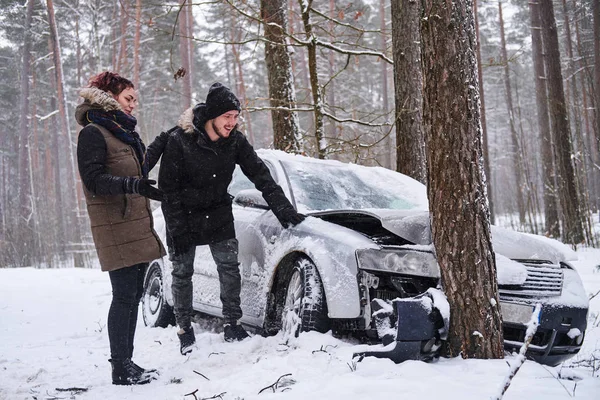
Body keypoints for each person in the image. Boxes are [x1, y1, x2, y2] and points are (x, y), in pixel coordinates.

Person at [159, 82, 305, 355]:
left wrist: (284, 210)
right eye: (228, 117)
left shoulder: (235, 141)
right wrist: (177, 228)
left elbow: (260, 175)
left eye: (236, 117)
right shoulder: (180, 139)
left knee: (229, 268)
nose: (232, 122)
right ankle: (184, 329)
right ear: (212, 116)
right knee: (182, 271)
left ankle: (232, 324)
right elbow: (168, 189)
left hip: (217, 210)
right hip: (183, 212)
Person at [75, 71, 168, 385]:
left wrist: (144, 185)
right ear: (109, 97)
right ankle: (121, 367)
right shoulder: (94, 133)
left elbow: (135, 171)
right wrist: (133, 185)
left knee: (134, 294)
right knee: (125, 296)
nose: (133, 105)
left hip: (135, 222)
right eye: (128, 99)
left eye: (134, 100)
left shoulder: (123, 134)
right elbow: (94, 180)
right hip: (115, 225)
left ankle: (127, 363)